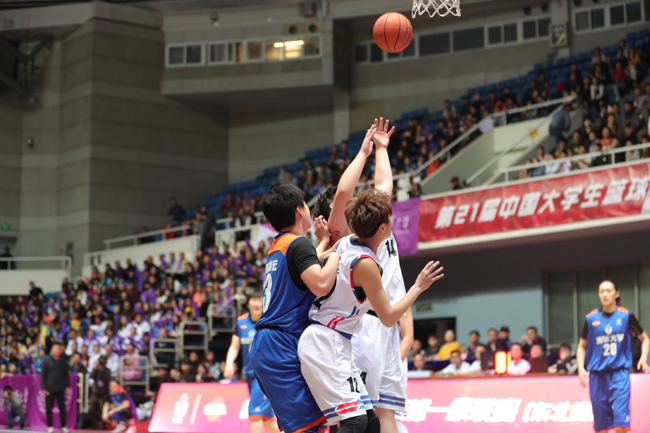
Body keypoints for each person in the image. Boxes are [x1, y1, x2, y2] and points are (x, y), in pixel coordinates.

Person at [298, 188, 443, 432]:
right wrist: (418, 287)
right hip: (326, 342)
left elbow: (317, 258)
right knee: (354, 422)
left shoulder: (345, 243)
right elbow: (388, 318)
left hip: (332, 339)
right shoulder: (366, 264)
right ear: (383, 228)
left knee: (370, 423)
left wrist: (322, 243)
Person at [315, 118, 414, 433]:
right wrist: (369, 152)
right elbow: (346, 191)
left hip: (384, 327)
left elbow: (381, 186)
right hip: (364, 326)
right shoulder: (349, 235)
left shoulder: (376, 223)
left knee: (384, 415)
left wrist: (378, 150)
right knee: (361, 417)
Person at [249, 184, 340, 433]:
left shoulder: (280, 245)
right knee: (305, 429)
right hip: (280, 345)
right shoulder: (299, 243)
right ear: (300, 211)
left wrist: (324, 244)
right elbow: (320, 283)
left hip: (271, 343)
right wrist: (337, 255)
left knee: (311, 425)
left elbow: (305, 265)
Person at [576, 281, 650, 433]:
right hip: (597, 376)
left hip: (620, 374)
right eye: (601, 291)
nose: (604, 294)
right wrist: (581, 368)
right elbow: (581, 346)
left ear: (616, 294)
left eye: (608, 290)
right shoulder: (591, 318)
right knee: (601, 426)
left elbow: (645, 339)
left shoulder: (626, 316)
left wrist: (643, 358)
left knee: (621, 424)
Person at [224, 292, 279, 433]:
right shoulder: (240, 322)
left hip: (266, 375)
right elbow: (234, 346)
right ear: (248, 304)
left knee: (255, 413)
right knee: (266, 419)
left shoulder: (270, 320)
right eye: (254, 300)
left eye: (260, 300)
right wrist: (229, 363)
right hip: (249, 374)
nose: (257, 303)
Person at [41, 341, 70, 433]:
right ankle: (50, 426)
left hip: (61, 388)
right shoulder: (47, 361)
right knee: (48, 408)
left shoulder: (64, 361)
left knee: (62, 408)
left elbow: (66, 375)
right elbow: (43, 375)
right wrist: (43, 387)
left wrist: (67, 386)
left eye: (59, 348)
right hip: (50, 388)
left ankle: (63, 426)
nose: (58, 350)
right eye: (56, 348)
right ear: (52, 350)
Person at [89, 355, 111, 429]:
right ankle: (95, 424)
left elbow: (107, 380)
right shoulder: (95, 369)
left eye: (103, 362)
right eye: (101, 362)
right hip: (95, 392)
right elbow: (91, 376)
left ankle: (103, 425)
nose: (102, 364)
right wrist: (96, 369)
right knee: (92, 409)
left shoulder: (107, 370)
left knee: (103, 409)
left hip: (104, 393)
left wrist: (103, 371)